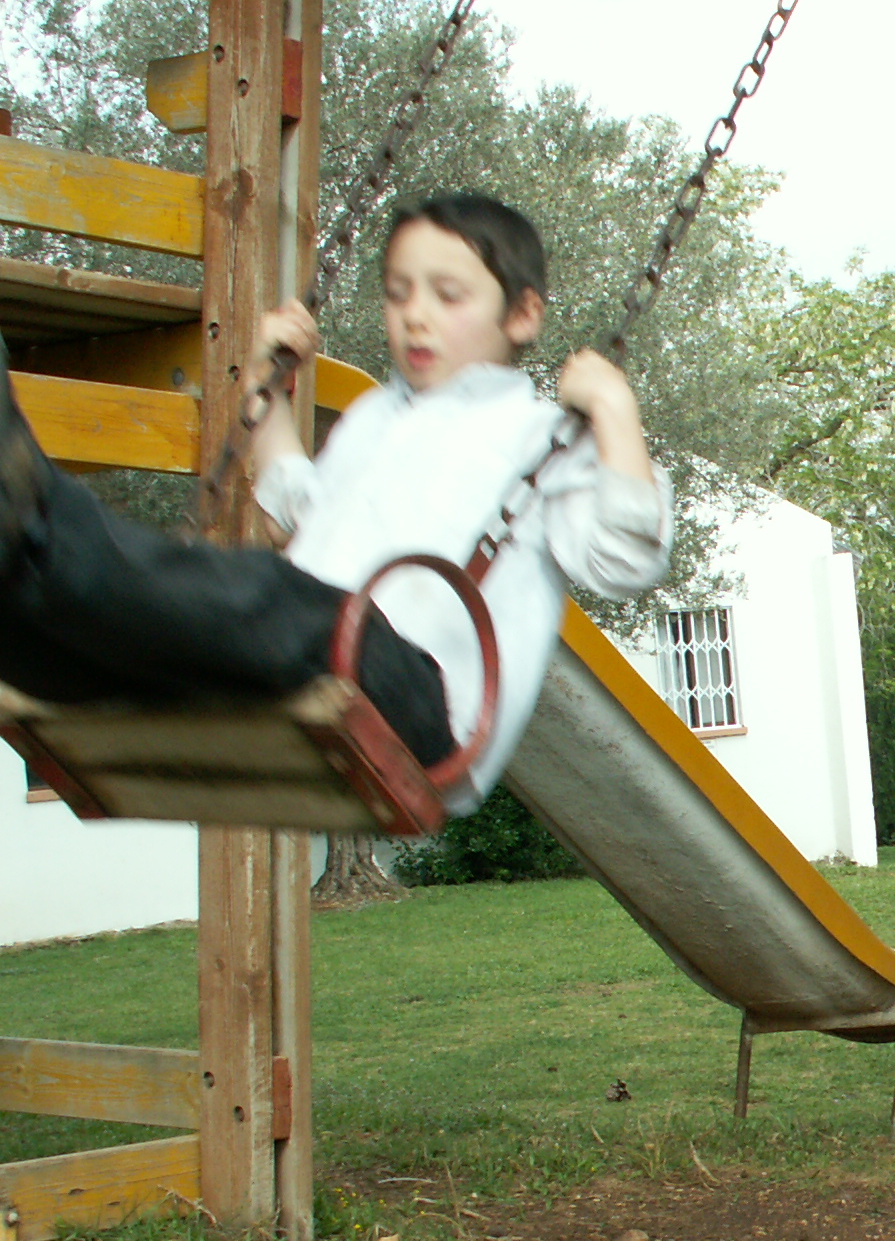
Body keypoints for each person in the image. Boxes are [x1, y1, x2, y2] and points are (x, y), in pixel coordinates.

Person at [0, 191, 672, 816]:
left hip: (414, 699)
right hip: (305, 655)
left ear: (522, 314)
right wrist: (266, 391)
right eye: (398, 293)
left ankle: (33, 514)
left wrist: (613, 409)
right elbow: (299, 513)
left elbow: (624, 560)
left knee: (282, 594)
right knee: (67, 643)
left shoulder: (542, 436)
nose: (415, 314)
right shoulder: (373, 416)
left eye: (448, 295)